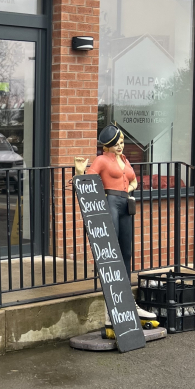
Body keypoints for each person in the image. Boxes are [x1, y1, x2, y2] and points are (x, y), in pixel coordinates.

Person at [74, 124, 157, 337]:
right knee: (112, 253)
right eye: (116, 143)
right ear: (108, 146)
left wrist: (126, 190)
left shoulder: (126, 160)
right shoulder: (102, 160)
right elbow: (90, 182)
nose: (120, 146)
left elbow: (134, 181)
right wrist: (80, 171)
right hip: (110, 202)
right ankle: (112, 309)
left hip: (125, 203)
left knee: (126, 253)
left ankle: (127, 301)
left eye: (121, 142)